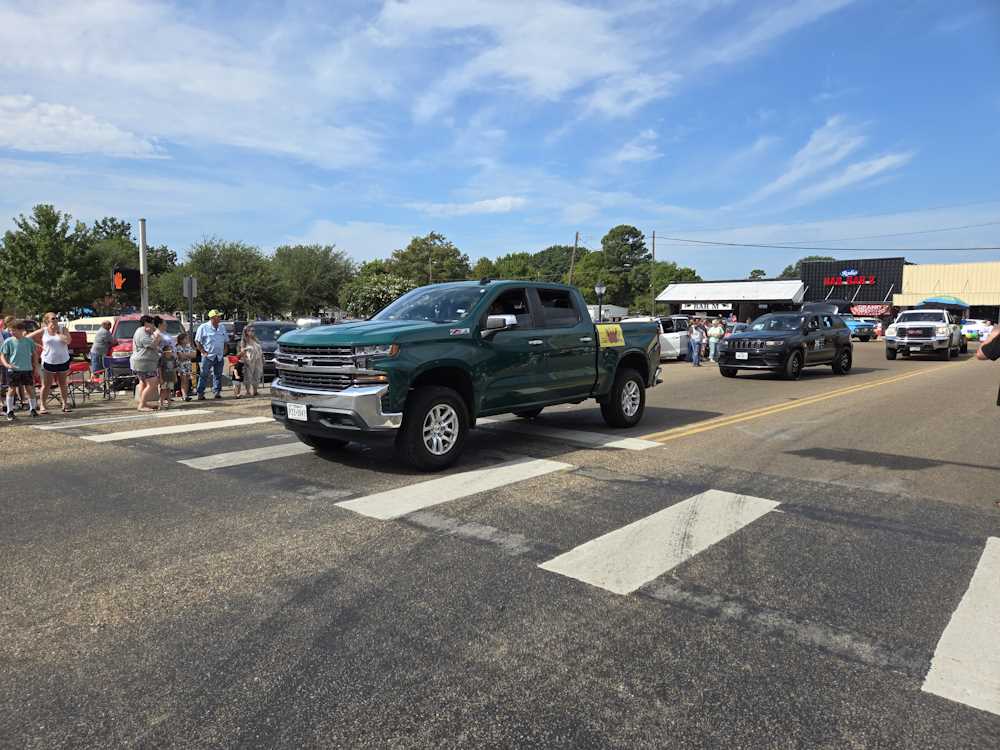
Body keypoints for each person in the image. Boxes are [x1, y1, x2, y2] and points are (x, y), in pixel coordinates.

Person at [28, 312, 72, 414]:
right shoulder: (44, 331)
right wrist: (39, 345)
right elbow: (28, 337)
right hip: (48, 360)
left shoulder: (63, 329)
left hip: (63, 360)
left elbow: (68, 341)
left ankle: (65, 404)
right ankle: (43, 405)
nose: (55, 319)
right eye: (53, 318)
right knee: (46, 384)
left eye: (56, 318)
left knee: (62, 384)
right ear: (47, 320)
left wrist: (57, 332)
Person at [1, 321, 39, 420]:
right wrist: (7, 364)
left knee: (29, 389)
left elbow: (34, 354)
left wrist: (35, 367)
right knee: (12, 389)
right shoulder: (8, 341)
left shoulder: (29, 341)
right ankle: (10, 411)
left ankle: (33, 409)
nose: (12, 332)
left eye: (14, 330)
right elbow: (3, 355)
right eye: (10, 330)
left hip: (27, 369)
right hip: (14, 369)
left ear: (22, 330)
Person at [130, 314, 162, 412]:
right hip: (144, 363)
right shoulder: (142, 332)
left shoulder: (143, 331)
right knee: (152, 383)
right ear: (146, 323)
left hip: (142, 362)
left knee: (143, 383)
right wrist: (157, 336)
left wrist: (152, 333)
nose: (154, 325)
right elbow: (152, 345)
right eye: (152, 323)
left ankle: (142, 403)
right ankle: (142, 405)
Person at [195, 310, 228, 400]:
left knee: (218, 374)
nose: (220, 318)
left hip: (219, 355)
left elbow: (225, 340)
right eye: (218, 316)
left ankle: (217, 392)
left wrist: (225, 350)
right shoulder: (203, 327)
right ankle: (200, 393)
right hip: (208, 356)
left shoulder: (222, 327)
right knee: (204, 374)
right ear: (212, 318)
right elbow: (197, 341)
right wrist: (203, 352)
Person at [234, 327, 263, 398]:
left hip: (258, 360)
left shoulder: (256, 340)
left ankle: (255, 391)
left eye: (253, 330)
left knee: (257, 375)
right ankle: (248, 391)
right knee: (248, 376)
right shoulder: (244, 341)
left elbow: (260, 349)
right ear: (246, 332)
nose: (253, 332)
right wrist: (244, 353)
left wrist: (263, 358)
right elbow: (241, 352)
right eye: (251, 331)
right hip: (249, 360)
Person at [175, 332, 196, 401]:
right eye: (186, 338)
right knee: (183, 380)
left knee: (187, 380)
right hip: (181, 366)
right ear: (181, 340)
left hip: (188, 365)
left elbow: (194, 355)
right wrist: (188, 355)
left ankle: (186, 394)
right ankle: (184, 395)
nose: (187, 340)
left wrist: (186, 355)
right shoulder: (178, 347)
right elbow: (181, 356)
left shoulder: (188, 346)